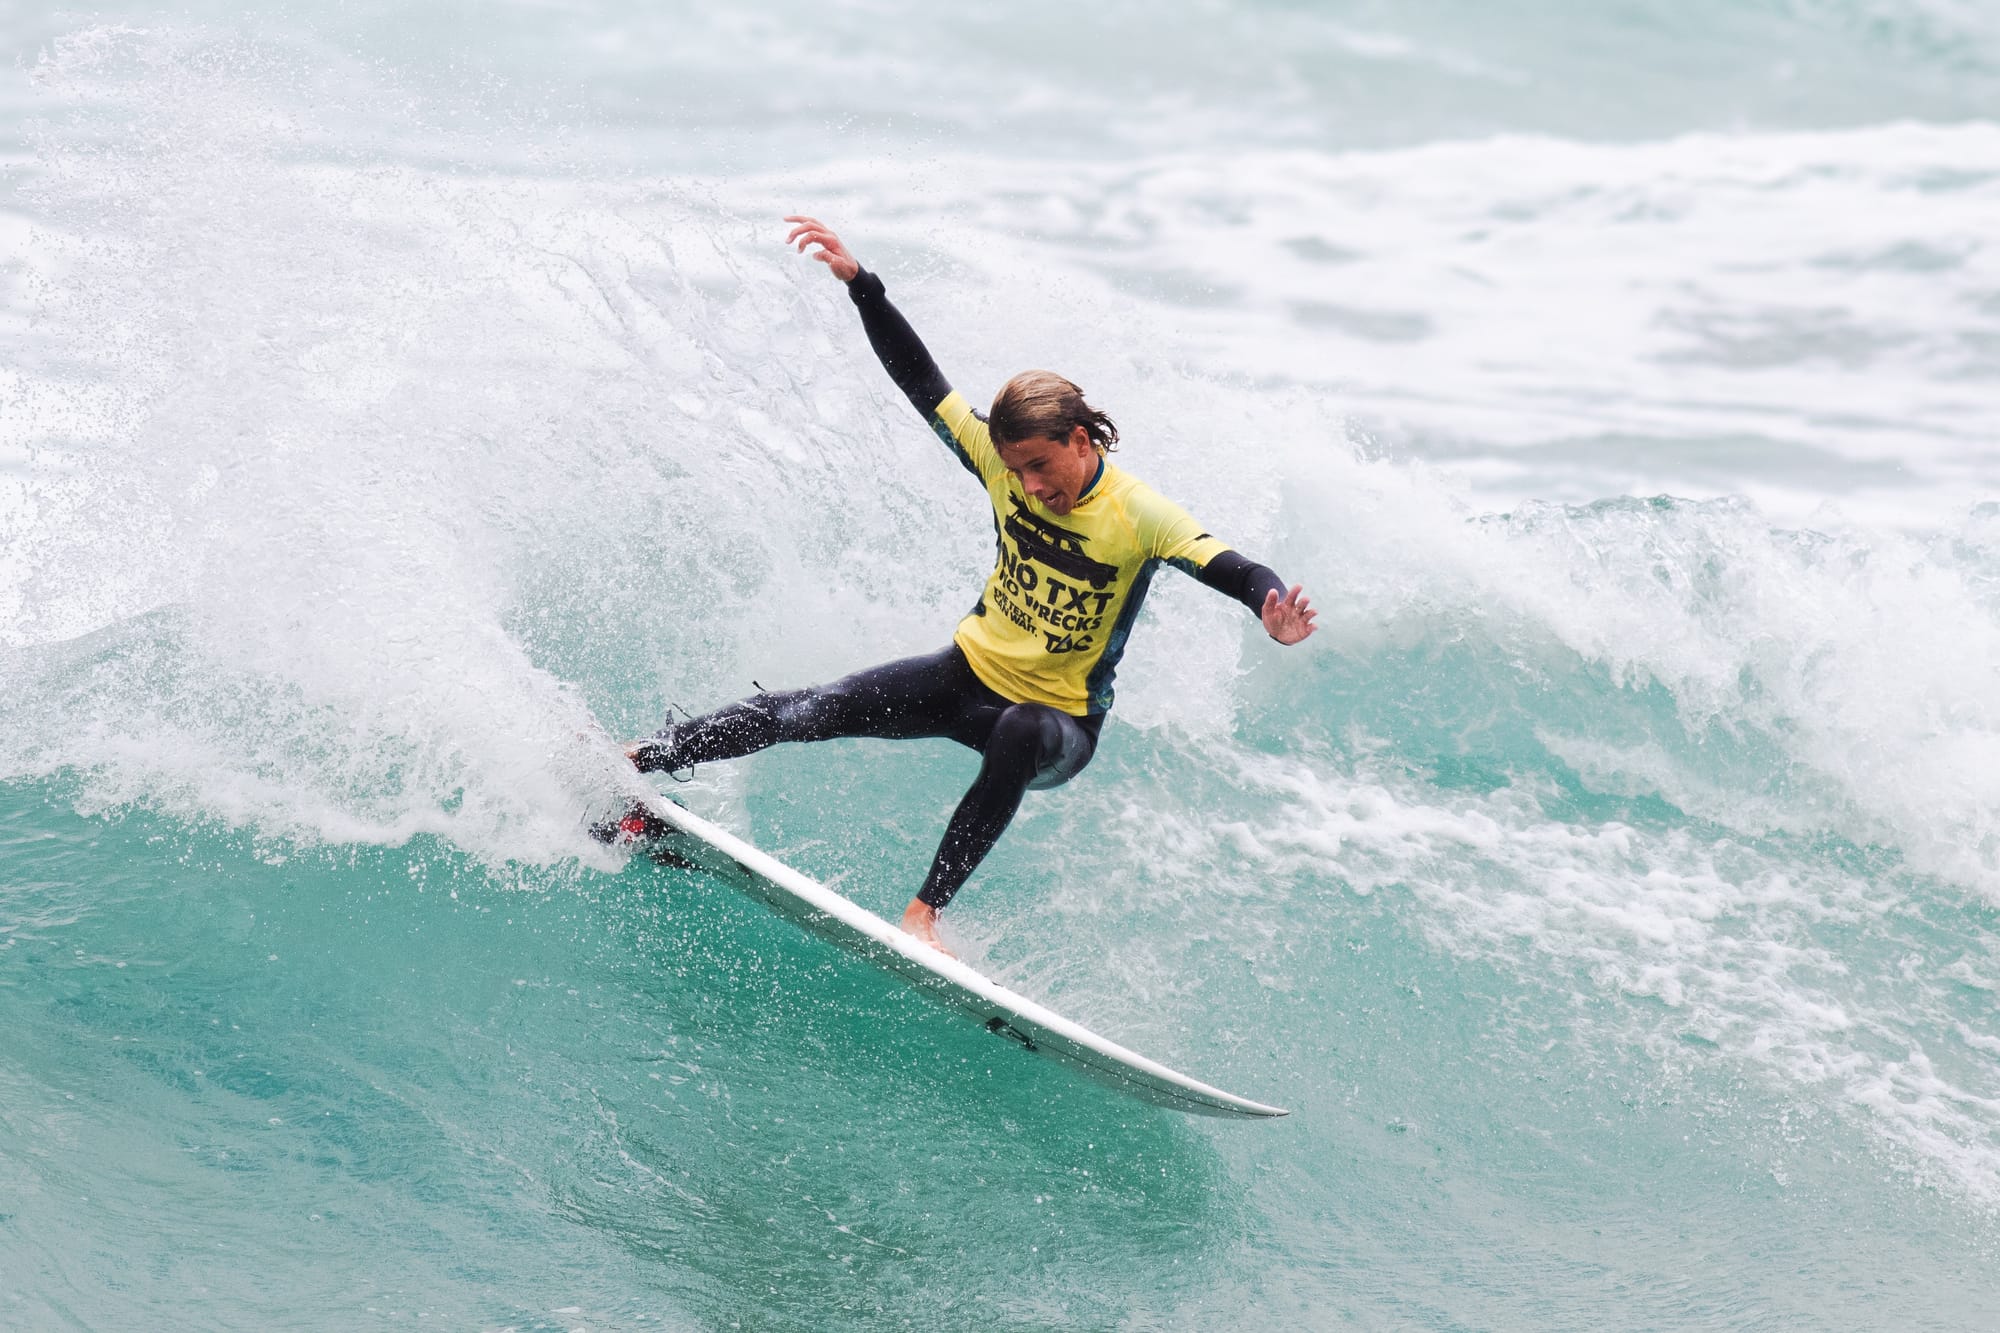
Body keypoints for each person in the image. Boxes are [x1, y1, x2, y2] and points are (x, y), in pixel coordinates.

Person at [623, 216, 1316, 953]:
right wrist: (864, 287)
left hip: (1057, 726)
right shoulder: (1003, 459)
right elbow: (921, 381)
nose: (1026, 484)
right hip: (966, 675)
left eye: (1039, 467)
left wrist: (1267, 606)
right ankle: (643, 757)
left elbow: (1230, 565)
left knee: (1019, 726)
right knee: (817, 705)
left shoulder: (1138, 515)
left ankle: (925, 914)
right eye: (1014, 469)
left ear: (1081, 441)